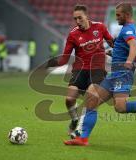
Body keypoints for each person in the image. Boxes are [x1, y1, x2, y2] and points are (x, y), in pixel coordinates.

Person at [64, 2, 136, 146]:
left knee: (120, 107)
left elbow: (133, 46)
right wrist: (114, 53)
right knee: (92, 101)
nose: (117, 18)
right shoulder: (130, 29)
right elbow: (135, 50)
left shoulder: (128, 30)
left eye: (119, 15)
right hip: (114, 74)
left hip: (122, 74)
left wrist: (128, 62)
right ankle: (83, 139)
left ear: (127, 15)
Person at [49, 5, 114, 138]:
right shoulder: (73, 34)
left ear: (86, 16)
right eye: (75, 19)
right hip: (80, 69)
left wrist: (119, 51)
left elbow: (112, 43)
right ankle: (74, 120)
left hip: (97, 69)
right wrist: (51, 63)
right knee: (69, 99)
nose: (78, 21)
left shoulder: (100, 27)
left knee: (89, 98)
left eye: (80, 18)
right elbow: (65, 57)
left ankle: (79, 131)